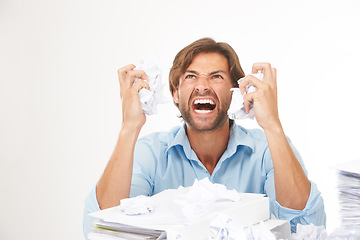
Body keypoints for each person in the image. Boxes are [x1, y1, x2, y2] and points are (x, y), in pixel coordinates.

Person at [83, 37, 326, 237]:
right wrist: (129, 127)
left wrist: (272, 125)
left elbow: (305, 224)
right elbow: (102, 229)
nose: (202, 86)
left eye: (216, 76)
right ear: (175, 94)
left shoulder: (268, 150)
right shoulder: (149, 153)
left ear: (235, 92)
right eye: (191, 76)